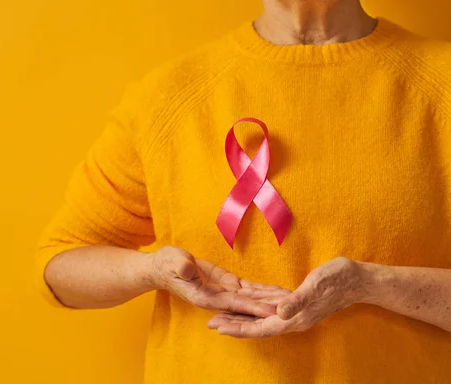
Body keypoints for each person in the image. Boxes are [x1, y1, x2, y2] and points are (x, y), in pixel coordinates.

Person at [36, 0, 451, 382]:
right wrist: (150, 272)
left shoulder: (441, 85)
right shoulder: (165, 98)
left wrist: (372, 284)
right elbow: (59, 266)